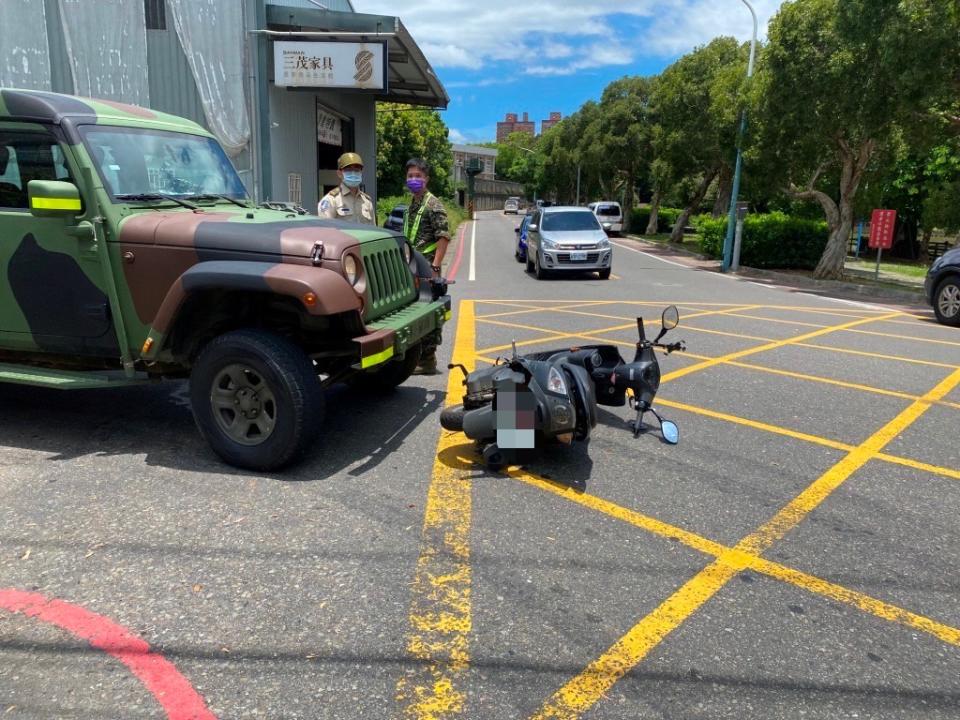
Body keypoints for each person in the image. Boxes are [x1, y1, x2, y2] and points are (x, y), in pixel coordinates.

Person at [403, 157, 450, 375]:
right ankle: (417, 356)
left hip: (428, 266)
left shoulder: (433, 205)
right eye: (411, 176)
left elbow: (443, 237)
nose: (414, 179)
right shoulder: (412, 203)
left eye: (418, 176)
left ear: (426, 179)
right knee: (416, 309)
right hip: (412, 265)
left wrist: (436, 267)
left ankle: (428, 359)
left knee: (429, 311)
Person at [318, 152, 375, 224]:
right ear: (339, 173)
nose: (353, 173)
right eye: (348, 170)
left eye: (357, 170)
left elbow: (373, 230)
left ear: (361, 172)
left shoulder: (367, 201)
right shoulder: (331, 200)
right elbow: (325, 231)